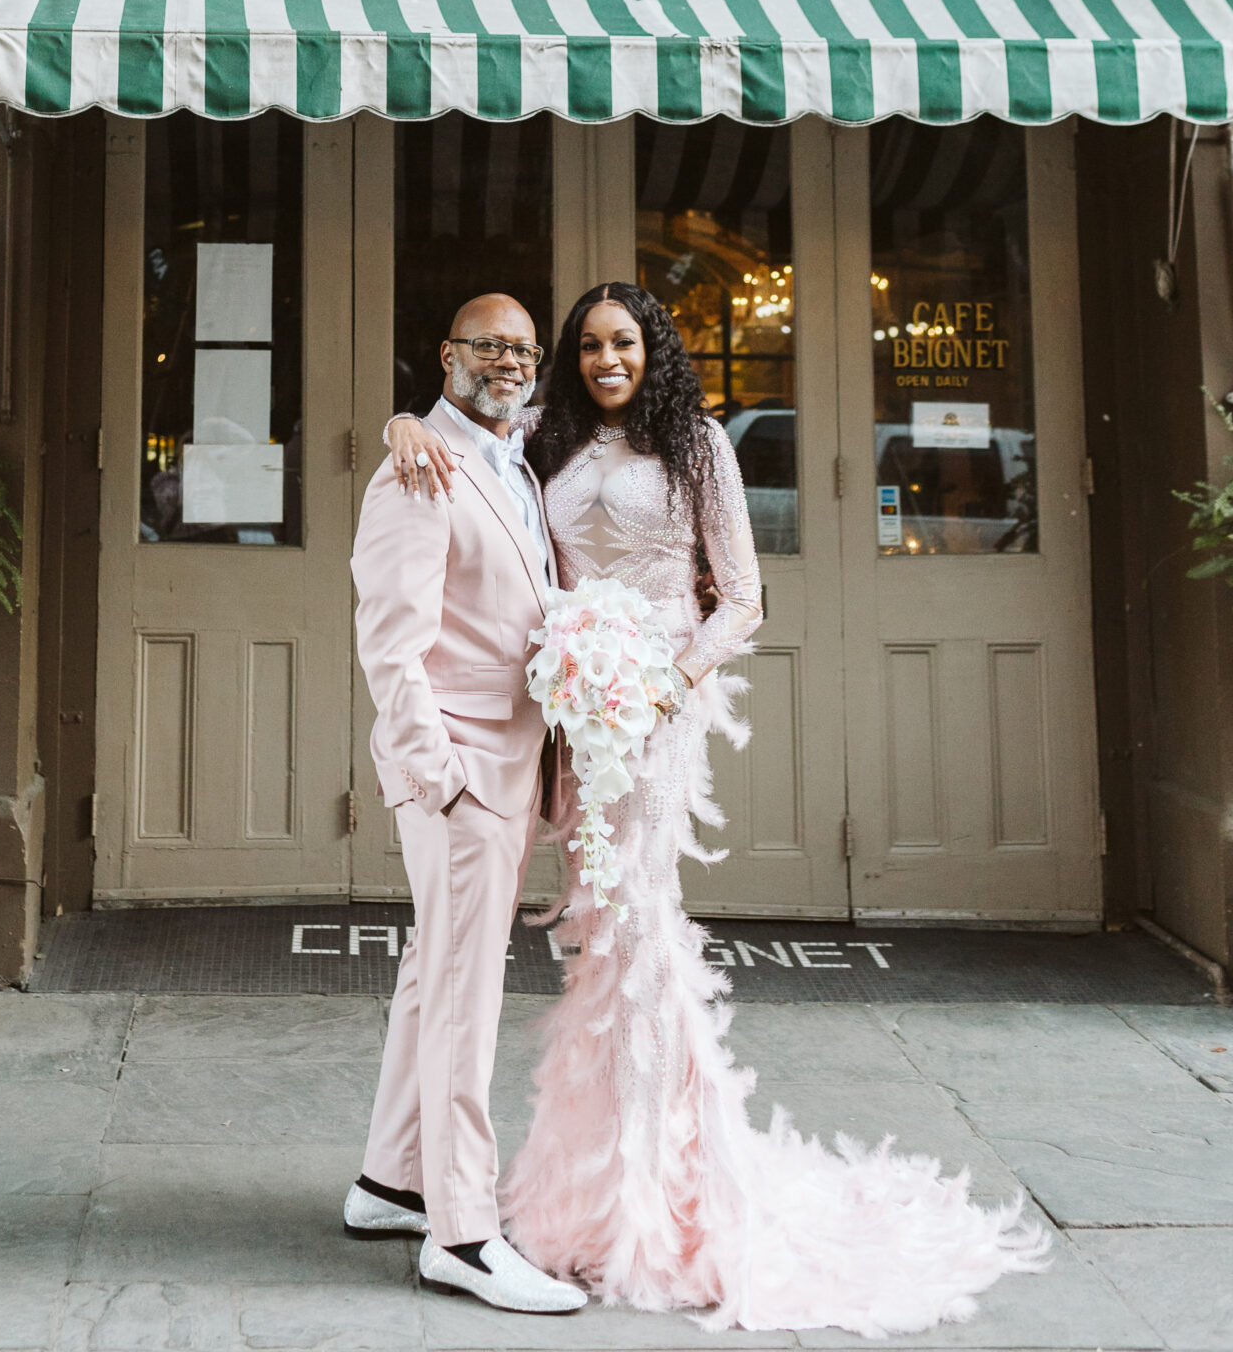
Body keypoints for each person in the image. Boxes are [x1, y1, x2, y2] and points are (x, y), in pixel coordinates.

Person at [385, 280, 1050, 1336]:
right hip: (562, 718)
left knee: (638, 923)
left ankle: (662, 1195)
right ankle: (584, 1191)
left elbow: (740, 596)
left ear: (656, 350)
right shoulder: (546, 438)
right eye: (589, 344)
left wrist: (660, 678)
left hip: (647, 713)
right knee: (588, 937)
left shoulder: (698, 444)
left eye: (626, 341)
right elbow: (469, 443)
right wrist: (400, 424)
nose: (607, 359)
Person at [346, 294, 587, 1317]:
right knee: (464, 1000)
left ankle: (388, 1182)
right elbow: (389, 645)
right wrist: (438, 776)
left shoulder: (515, 458)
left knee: (431, 977)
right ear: (447, 357)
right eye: (487, 345)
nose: (508, 361)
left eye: (523, 348)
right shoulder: (418, 468)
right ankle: (464, 1232)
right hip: (462, 779)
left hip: (511, 770)